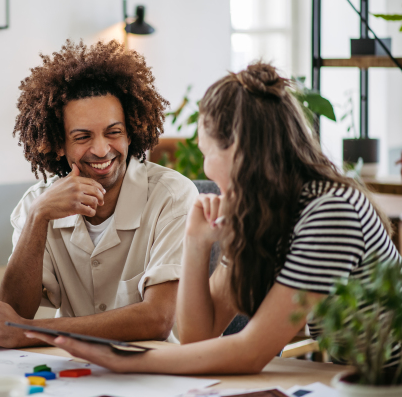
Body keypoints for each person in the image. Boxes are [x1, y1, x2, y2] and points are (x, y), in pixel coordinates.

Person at [26, 62, 402, 374]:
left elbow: (252, 351)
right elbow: (198, 337)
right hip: (359, 379)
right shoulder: (265, 212)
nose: (205, 166)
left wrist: (129, 359)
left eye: (207, 152)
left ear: (238, 150)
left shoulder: (329, 210)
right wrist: (196, 241)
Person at [0, 40, 198, 348]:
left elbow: (157, 319)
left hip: (159, 374)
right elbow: (17, 310)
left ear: (131, 131)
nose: (101, 150)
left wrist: (33, 332)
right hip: (70, 371)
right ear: (58, 144)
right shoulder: (37, 204)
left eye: (114, 132)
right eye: (82, 137)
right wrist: (39, 218)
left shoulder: (172, 196)